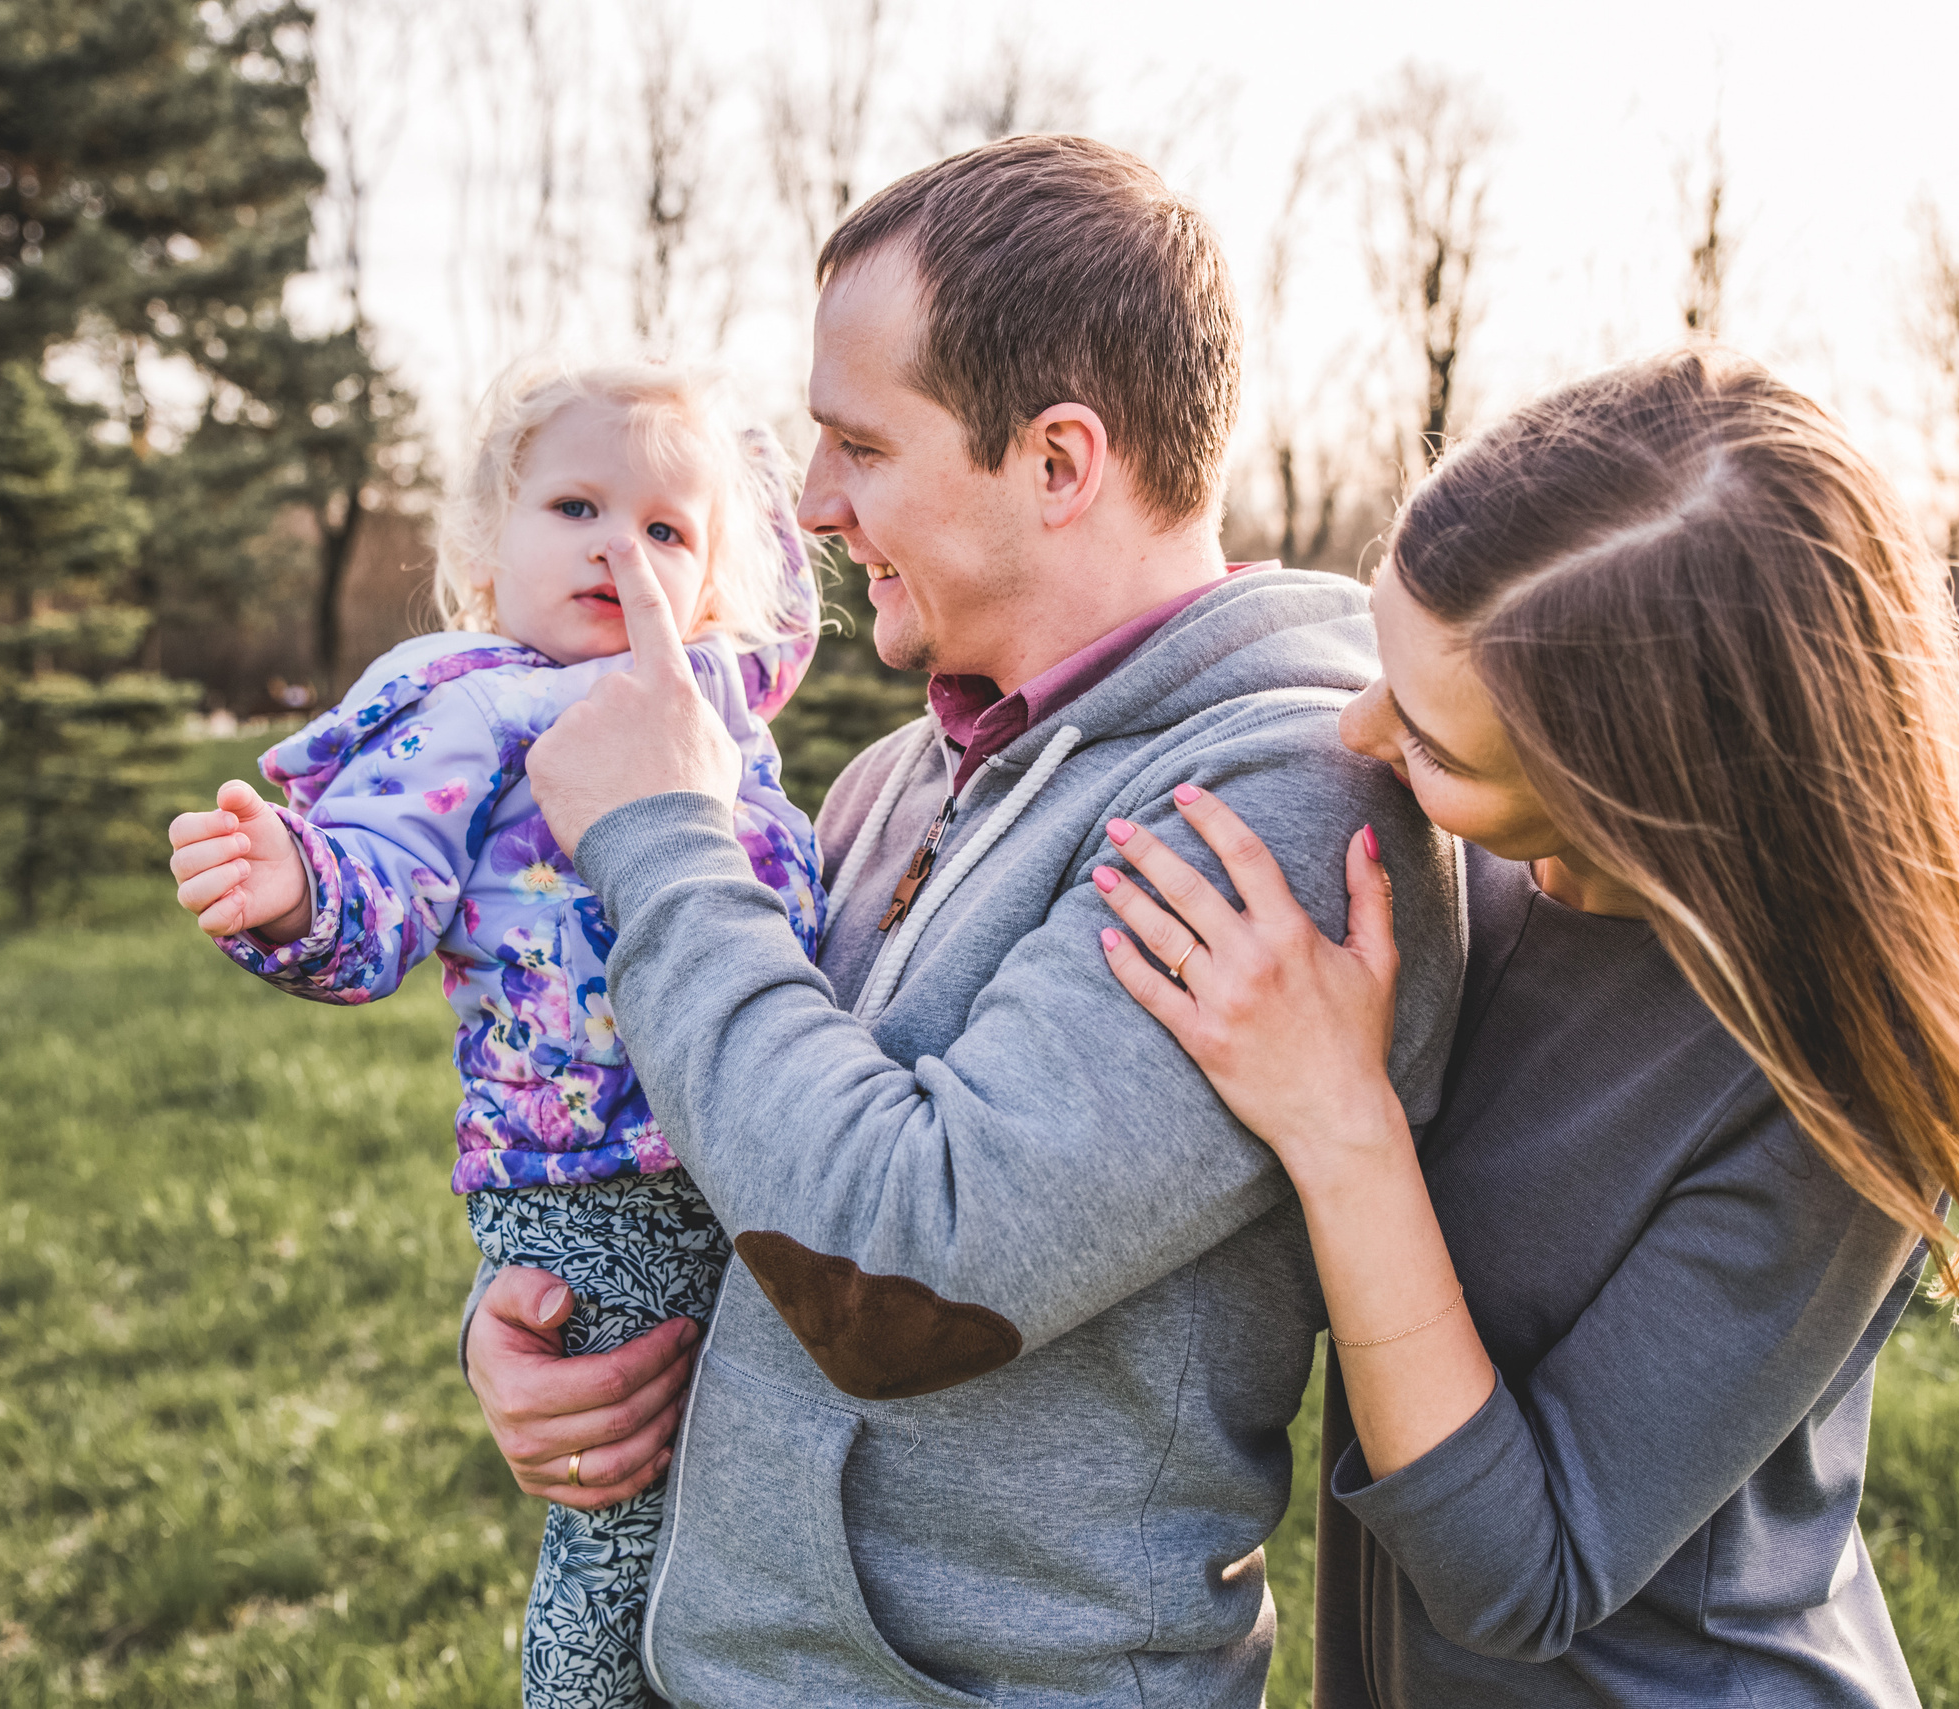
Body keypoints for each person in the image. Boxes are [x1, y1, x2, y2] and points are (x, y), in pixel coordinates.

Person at [470, 133, 1467, 1705]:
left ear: (1060, 464)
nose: (805, 505)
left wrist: (662, 843)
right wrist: (544, 1316)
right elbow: (730, 1129)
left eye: (857, 447)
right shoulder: (890, 779)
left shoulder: (1273, 812)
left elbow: (903, 1263)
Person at [1090, 348, 1959, 1705]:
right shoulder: (1479, 884)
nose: (1362, 731)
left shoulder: (1827, 1098)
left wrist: (1343, 1126)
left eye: (1437, 744)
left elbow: (1523, 1576)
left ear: (1633, 793)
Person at [164, 358, 825, 1708]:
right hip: (596, 1189)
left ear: (715, 577)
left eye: (662, 529)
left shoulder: (721, 699)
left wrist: (743, 458)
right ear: (487, 550)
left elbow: (789, 591)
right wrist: (290, 882)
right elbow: (378, 881)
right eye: (576, 506)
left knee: (743, 1512)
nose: (614, 548)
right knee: (623, 1518)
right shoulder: (476, 705)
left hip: (745, 1145)